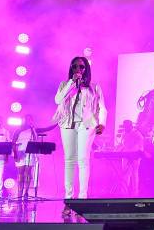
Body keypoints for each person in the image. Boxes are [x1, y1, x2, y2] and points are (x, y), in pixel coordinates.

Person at [54, 57, 107, 204]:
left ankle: (82, 198)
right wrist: (72, 83)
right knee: (69, 159)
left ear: (86, 69)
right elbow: (58, 100)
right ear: (71, 68)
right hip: (68, 124)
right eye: (75, 66)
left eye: (81, 67)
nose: (78, 69)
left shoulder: (94, 87)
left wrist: (102, 123)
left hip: (87, 125)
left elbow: (102, 107)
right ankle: (69, 199)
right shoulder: (65, 84)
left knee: (83, 159)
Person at [12, 115, 56, 200]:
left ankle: (26, 193)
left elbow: (47, 129)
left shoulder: (33, 130)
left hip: (31, 153)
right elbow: (13, 143)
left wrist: (57, 123)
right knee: (21, 173)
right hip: (20, 153)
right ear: (24, 120)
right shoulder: (18, 130)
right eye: (27, 119)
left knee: (28, 173)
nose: (29, 121)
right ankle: (19, 192)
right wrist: (15, 154)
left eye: (30, 119)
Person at [118, 120, 144, 195]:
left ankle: (135, 192)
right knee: (125, 174)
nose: (125, 128)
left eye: (126, 126)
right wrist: (118, 150)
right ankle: (124, 192)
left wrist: (138, 156)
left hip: (135, 157)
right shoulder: (124, 134)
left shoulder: (137, 134)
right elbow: (122, 145)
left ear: (130, 126)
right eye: (124, 126)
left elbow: (141, 147)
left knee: (134, 174)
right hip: (125, 156)